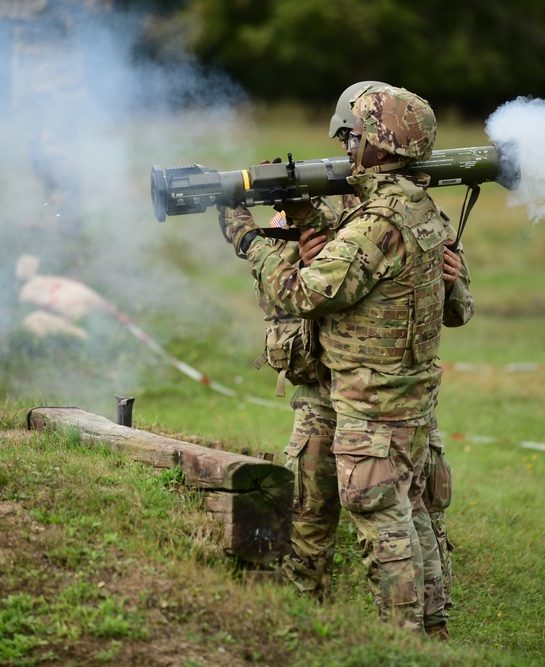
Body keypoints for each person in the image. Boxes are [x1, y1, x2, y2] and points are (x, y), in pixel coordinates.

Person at [219, 84, 459, 633]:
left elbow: (305, 293)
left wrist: (248, 240)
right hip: (402, 399)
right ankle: (434, 632)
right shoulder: (416, 206)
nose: (346, 145)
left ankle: (402, 644)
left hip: (370, 405)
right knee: (412, 516)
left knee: (384, 525)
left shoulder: (378, 220)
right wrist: (307, 218)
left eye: (354, 135)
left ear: (380, 143)